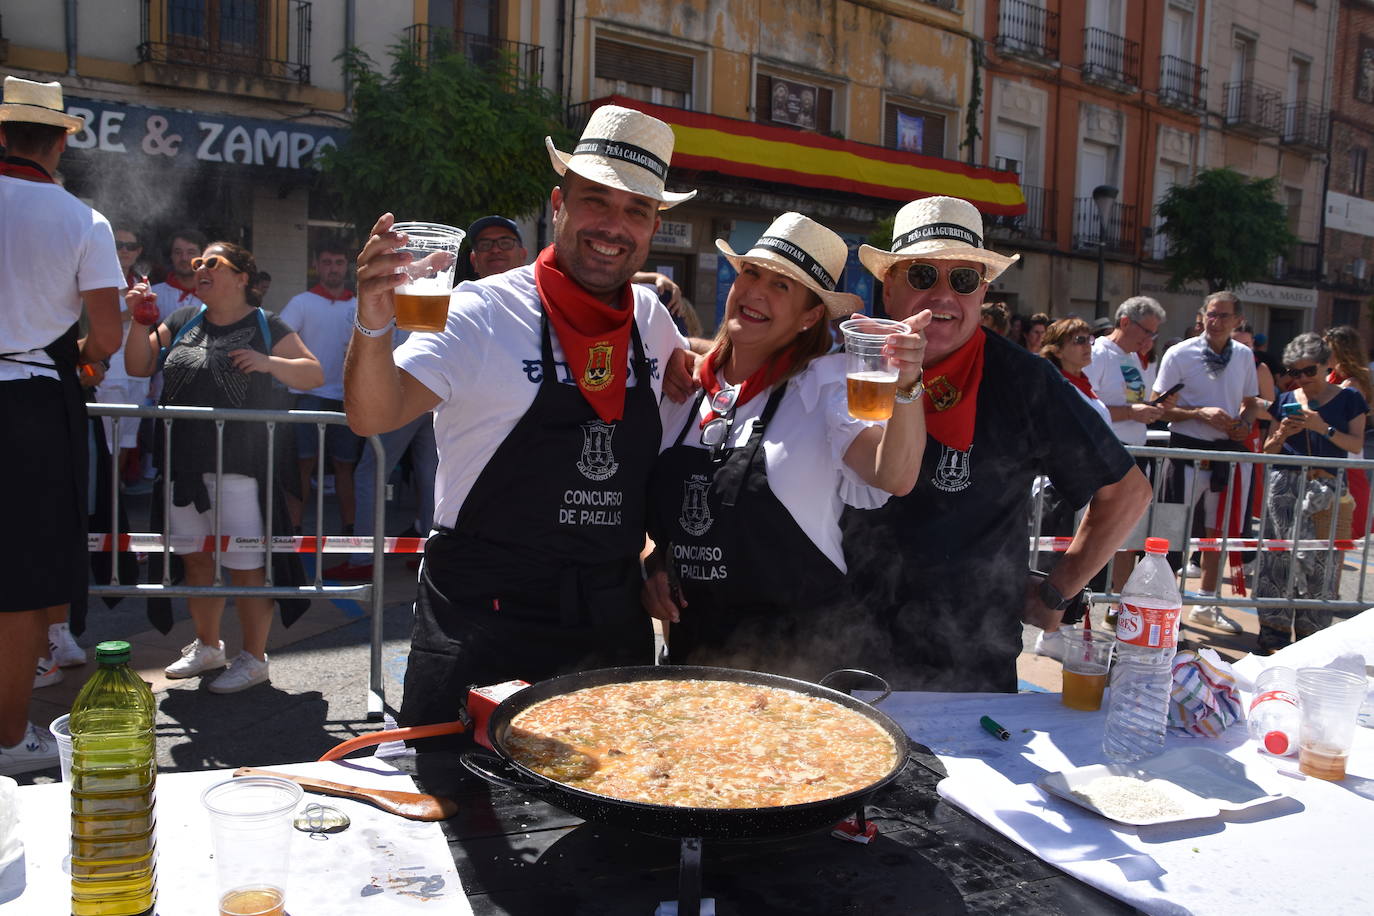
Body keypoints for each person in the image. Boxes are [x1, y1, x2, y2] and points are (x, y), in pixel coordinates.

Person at [346, 105, 697, 736]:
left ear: (653, 228)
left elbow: (671, 444)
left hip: (607, 625)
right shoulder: (480, 310)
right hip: (484, 624)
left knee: (609, 814)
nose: (614, 227)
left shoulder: (650, 317)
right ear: (559, 203)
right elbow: (374, 411)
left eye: (635, 211)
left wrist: (659, 552)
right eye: (597, 202)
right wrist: (373, 317)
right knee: (456, 811)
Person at [840, 196, 1150, 692]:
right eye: (923, 276)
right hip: (839, 645)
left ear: (982, 292)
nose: (943, 296)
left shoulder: (1024, 379)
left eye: (963, 280)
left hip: (965, 664)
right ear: (890, 284)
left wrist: (1056, 592)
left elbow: (1127, 492)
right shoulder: (847, 362)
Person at [641, 213, 929, 676]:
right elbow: (680, 523)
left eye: (782, 286)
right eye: (752, 273)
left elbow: (893, 475)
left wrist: (909, 381)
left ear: (811, 315)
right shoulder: (684, 390)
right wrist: (658, 564)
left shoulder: (823, 390)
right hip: (694, 670)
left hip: (804, 677)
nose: (756, 292)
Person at [124, 242, 323, 693]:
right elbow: (138, 365)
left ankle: (254, 658)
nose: (201, 270)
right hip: (184, 467)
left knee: (246, 564)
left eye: (213, 263)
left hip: (241, 466)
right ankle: (208, 645)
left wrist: (268, 362)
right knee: (196, 559)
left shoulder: (266, 324)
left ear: (242, 278)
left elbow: (313, 373)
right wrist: (137, 321)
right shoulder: (179, 321)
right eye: (198, 264)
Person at [0, 76, 123, 774]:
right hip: (29, 402)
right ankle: (11, 737)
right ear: (58, 142)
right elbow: (104, 334)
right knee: (16, 590)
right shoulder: (82, 219)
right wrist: (78, 352)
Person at [325, 215, 530, 581]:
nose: (495, 249)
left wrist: (653, 280)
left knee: (430, 473)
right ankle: (362, 558)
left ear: (524, 253)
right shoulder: (458, 297)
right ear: (473, 260)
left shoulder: (535, 309)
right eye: (484, 244)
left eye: (504, 242)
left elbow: (586, 280)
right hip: (409, 390)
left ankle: (423, 547)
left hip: (458, 426)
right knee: (375, 468)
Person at [1153, 291, 1262, 634]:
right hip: (1185, 452)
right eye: (1211, 315)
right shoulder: (1179, 353)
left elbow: (1250, 401)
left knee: (1218, 533)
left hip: (1224, 454)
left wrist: (1244, 422)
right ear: (1202, 316)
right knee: (1172, 533)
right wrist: (1198, 413)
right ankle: (1162, 606)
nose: (1215, 322)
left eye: (1224, 316)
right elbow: (1159, 407)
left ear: (1237, 321)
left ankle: (1206, 603)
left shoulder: (1244, 356)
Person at [1257, 333, 1367, 654]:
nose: (1302, 378)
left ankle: (1312, 637)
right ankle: (1272, 634)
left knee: (1322, 562)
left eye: (1309, 371)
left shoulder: (1349, 400)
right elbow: (1267, 450)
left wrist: (1323, 428)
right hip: (1285, 489)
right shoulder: (1286, 399)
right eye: (1294, 372)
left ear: (1326, 365)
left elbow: (1356, 445)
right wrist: (1280, 433)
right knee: (1277, 561)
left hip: (1326, 489)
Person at [281, 240, 363, 533]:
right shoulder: (302, 302)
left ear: (347, 267)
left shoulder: (359, 305)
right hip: (308, 396)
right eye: (327, 262)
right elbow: (279, 344)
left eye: (338, 263)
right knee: (303, 464)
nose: (332, 269)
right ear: (317, 265)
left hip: (346, 398)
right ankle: (294, 529)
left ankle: (350, 529)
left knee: (345, 466)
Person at [1085, 297, 1169, 450]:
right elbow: (1084, 409)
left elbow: (1133, 403)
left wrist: (1153, 409)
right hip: (1105, 449)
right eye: (1147, 332)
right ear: (1125, 323)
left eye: (1153, 334)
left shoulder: (1133, 356)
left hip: (1135, 450)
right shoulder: (1097, 354)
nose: (1149, 339)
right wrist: (1130, 413)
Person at [1322, 324, 1373, 538]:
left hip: (1346, 456)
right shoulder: (1332, 377)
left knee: (1343, 528)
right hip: (1331, 454)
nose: (1322, 352)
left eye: (1327, 348)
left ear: (1341, 351)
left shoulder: (1353, 384)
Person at [1041, 318, 1110, 425]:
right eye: (1080, 340)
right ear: (1057, 351)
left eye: (1089, 339)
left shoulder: (1084, 386)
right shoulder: (1055, 389)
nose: (1087, 345)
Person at [150, 228, 206, 322]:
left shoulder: (214, 293)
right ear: (171, 255)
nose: (184, 258)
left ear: (202, 256)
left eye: (191, 252)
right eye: (178, 252)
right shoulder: (154, 294)